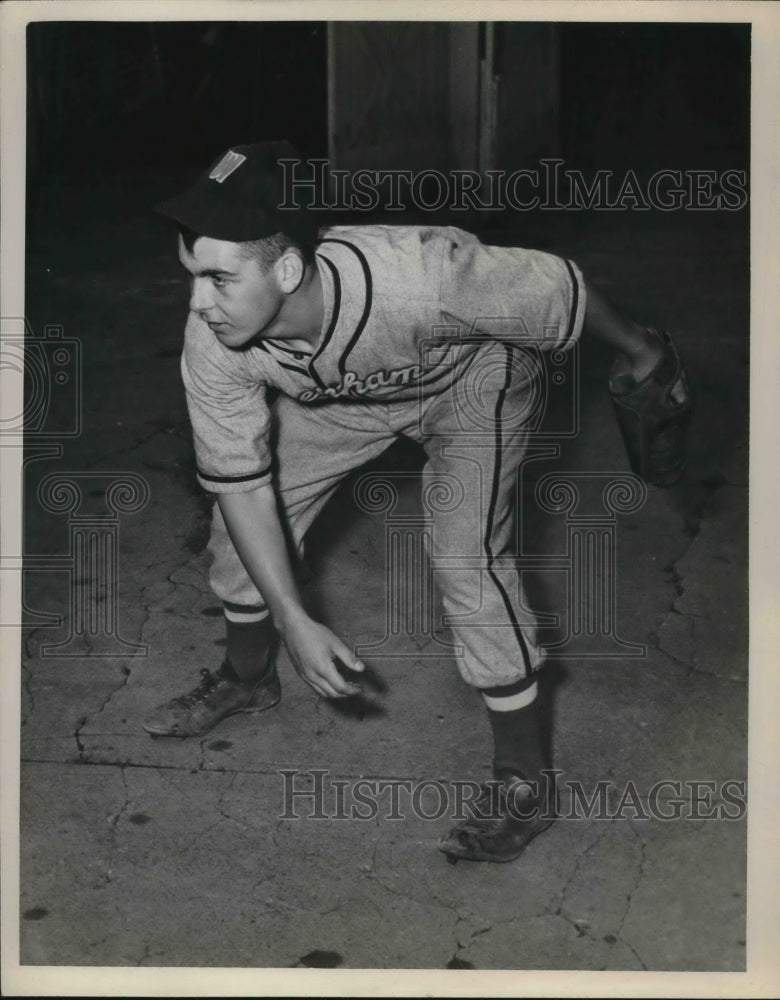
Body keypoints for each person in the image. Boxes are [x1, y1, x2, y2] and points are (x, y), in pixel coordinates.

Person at [143, 141, 691, 864]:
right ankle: (247, 680)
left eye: (217, 278)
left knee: (467, 558)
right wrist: (296, 619)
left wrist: (644, 354)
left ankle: (525, 781)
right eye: (191, 276)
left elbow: (562, 290)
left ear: (285, 268)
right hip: (347, 397)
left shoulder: (425, 276)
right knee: (243, 517)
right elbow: (241, 486)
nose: (198, 301)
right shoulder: (215, 341)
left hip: (473, 383)